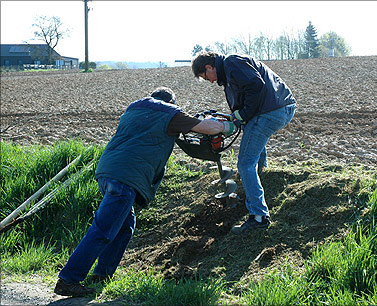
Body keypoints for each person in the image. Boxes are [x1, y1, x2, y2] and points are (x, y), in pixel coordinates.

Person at [54, 87, 235, 297]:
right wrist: (227, 126)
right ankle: (68, 279)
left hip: (107, 172)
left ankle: (102, 274)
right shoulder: (170, 113)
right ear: (171, 102)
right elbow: (207, 127)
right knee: (103, 230)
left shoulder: (133, 109)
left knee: (125, 225)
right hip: (127, 178)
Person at [192, 51, 296, 235]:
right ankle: (261, 177)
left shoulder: (232, 63)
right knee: (252, 136)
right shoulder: (230, 70)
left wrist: (243, 114)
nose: (209, 81)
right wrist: (237, 116)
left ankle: (259, 216)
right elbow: (247, 95)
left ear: (209, 67)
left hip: (272, 111)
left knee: (245, 163)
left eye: (205, 76)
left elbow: (256, 86)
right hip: (278, 107)